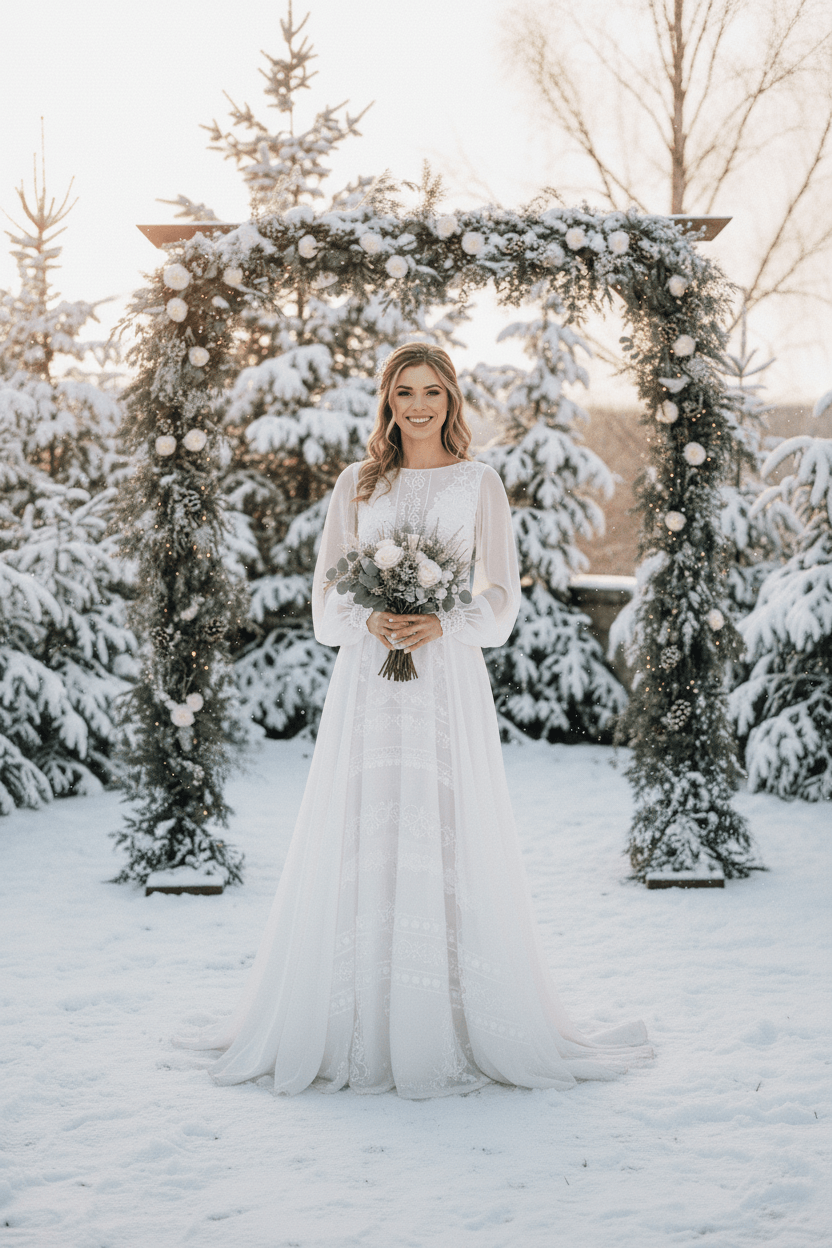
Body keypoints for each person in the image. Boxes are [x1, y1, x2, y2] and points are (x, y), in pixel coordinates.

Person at [179, 343, 649, 1098]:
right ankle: (355, 1011)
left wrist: (445, 622)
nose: (419, 405)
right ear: (388, 402)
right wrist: (371, 619)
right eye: (405, 391)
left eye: (433, 391)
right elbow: (326, 607)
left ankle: (451, 1014)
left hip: (446, 682)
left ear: (452, 400)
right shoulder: (356, 484)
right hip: (368, 682)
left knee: (446, 825)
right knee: (368, 827)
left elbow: (503, 601)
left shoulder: (480, 483)